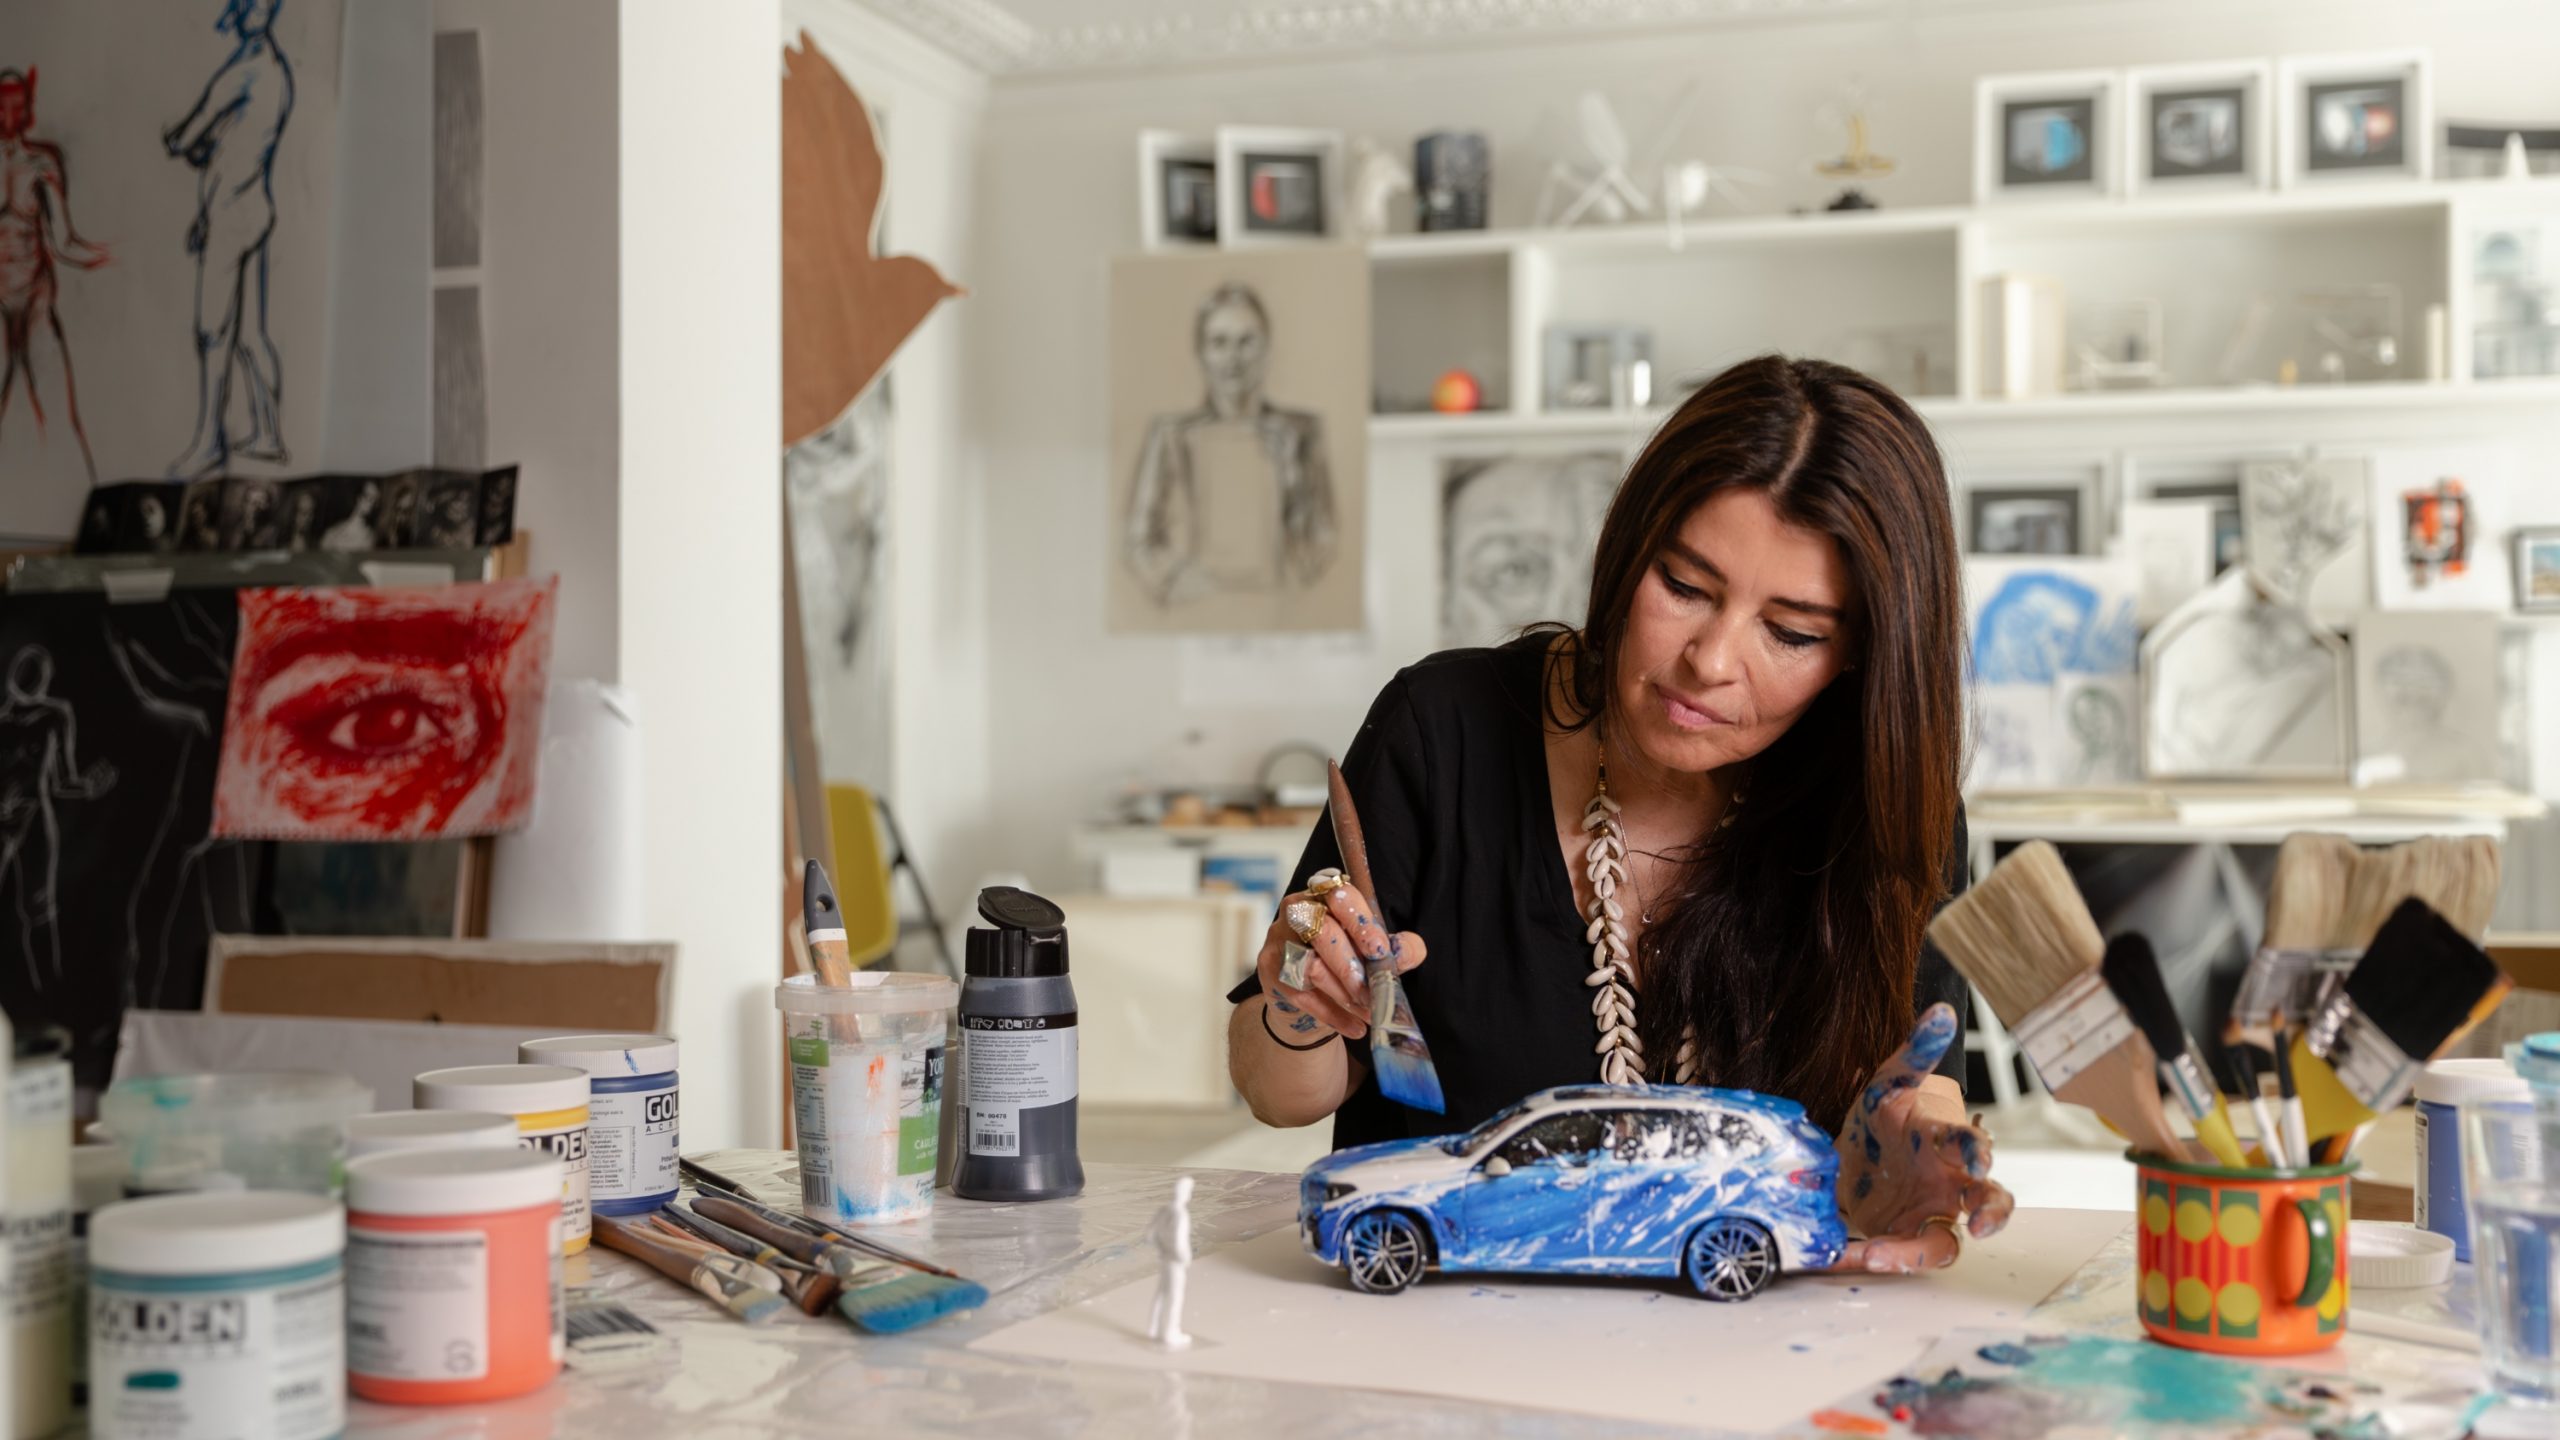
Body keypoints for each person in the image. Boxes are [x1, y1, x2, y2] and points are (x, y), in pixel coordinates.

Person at [1228, 355, 2012, 1275]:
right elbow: (1280, 1093)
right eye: (1684, 586)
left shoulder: (1886, 813)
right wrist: (1299, 1004)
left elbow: (1923, 1097)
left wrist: (1908, 1167)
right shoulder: (1444, 731)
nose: (1711, 661)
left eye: (1790, 633)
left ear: (1859, 657)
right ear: (1629, 546)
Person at [1125, 283, 1334, 608]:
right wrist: (1172, 579)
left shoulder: (1300, 433)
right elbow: (1140, 539)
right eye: (1219, 342)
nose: (1233, 358)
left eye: (1246, 341)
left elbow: (1321, 542)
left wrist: (1292, 479)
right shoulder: (1170, 435)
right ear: (1201, 353)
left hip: (1280, 615)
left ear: (1267, 349)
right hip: (1197, 614)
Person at [163, 0, 295, 478]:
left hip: (233, 211)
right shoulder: (276, 69)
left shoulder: (244, 73)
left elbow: (190, 135)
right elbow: (231, 146)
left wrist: (179, 141)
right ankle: (269, 433)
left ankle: (209, 439)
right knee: (252, 333)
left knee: (213, 333)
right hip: (253, 205)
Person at [0, 66, 110, 485]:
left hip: (35, 296)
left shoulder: (43, 161)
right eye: (2, 102)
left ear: (28, 107)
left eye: (17, 102)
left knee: (59, 410)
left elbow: (62, 241)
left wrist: (106, 256)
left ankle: (85, 500)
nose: (9, 111)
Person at [1146, 1175, 1194, 1350]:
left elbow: (1149, 1235)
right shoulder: (1180, 1214)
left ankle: (1154, 1328)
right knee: (1174, 1296)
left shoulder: (1163, 1210)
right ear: (1185, 1192)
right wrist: (1185, 1258)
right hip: (1175, 1260)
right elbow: (1179, 1242)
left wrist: (1161, 1249)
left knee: (1161, 1293)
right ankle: (1170, 1332)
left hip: (1164, 1257)